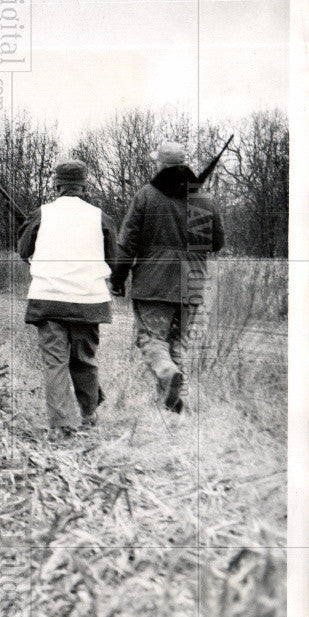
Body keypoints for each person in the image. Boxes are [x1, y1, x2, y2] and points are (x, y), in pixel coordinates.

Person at [109, 142, 225, 414]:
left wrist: (117, 278)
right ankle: (172, 408)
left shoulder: (146, 196)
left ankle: (166, 373)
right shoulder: (203, 199)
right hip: (191, 283)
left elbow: (127, 243)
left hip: (154, 283)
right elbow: (217, 243)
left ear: (160, 164)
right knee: (177, 344)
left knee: (152, 340)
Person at [17, 161, 118, 438]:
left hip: (48, 299)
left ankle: (63, 425)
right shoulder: (101, 217)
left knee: (55, 362)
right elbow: (115, 260)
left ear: (56, 185)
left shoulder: (41, 214)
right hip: (89, 301)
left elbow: (23, 250)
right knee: (84, 359)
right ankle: (88, 414)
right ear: (84, 186)